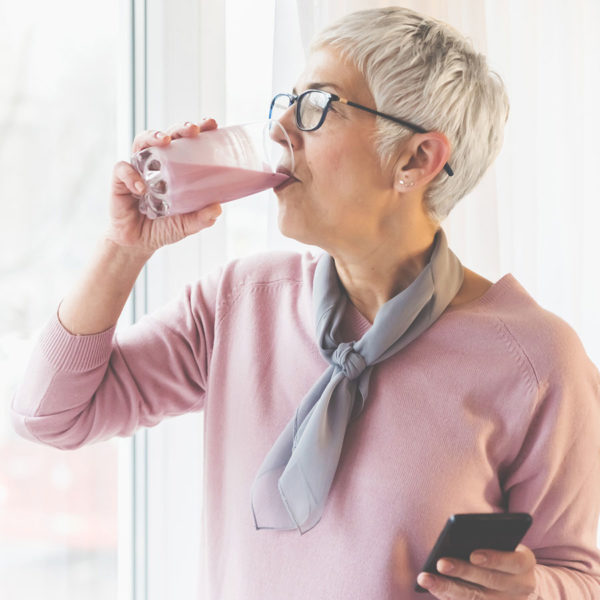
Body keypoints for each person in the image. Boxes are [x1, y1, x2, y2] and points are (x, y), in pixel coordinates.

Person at [11, 6, 600, 599]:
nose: (278, 129)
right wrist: (123, 249)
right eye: (286, 101)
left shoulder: (537, 362)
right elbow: (48, 415)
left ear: (416, 159)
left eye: (316, 106)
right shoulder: (238, 305)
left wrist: (536, 591)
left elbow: (579, 575)